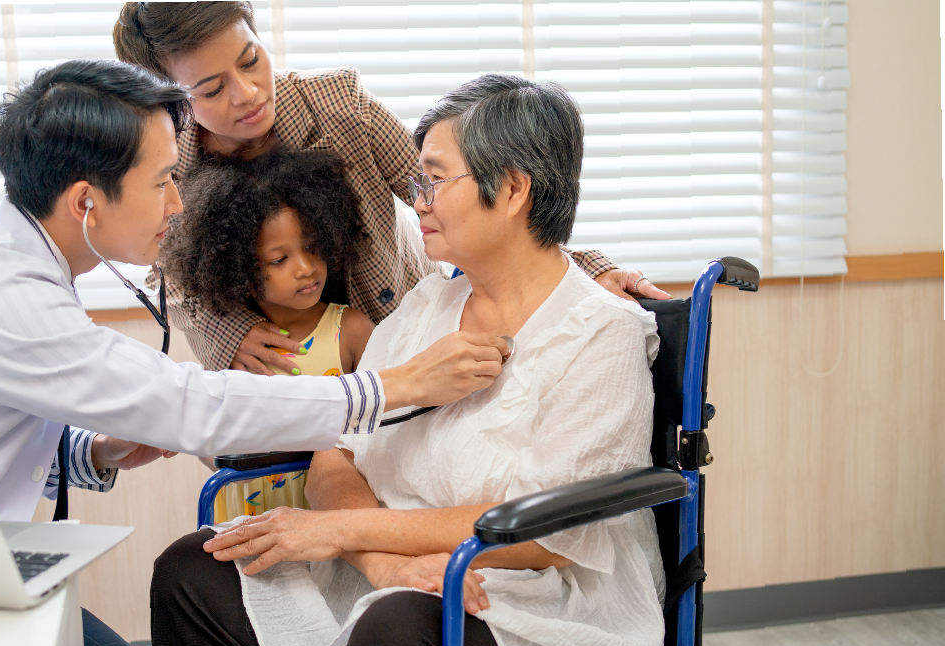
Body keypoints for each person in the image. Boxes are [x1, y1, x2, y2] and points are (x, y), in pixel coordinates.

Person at [0, 59, 510, 646]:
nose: (178, 203)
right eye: (161, 182)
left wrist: (93, 452)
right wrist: (393, 386)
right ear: (86, 202)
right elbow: (196, 406)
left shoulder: (8, 264)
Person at [149, 75, 666, 646]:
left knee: (395, 632)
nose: (415, 201)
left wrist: (343, 532)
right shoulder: (426, 306)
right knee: (193, 569)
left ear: (510, 189)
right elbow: (335, 456)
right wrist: (378, 561)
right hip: (393, 573)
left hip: (524, 596)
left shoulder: (600, 333)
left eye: (433, 180)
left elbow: (545, 535)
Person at [113, 1, 670, 377]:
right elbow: (167, 275)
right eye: (211, 88)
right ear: (169, 96)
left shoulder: (338, 106)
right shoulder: (169, 164)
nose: (248, 92)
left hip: (396, 339)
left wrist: (583, 266)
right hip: (288, 368)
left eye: (252, 59)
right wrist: (226, 330)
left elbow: (458, 195)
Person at [161, 148, 376, 528]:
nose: (306, 268)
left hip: (330, 512)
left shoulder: (351, 331)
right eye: (279, 260)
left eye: (312, 247)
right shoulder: (232, 350)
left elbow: (382, 427)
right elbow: (215, 447)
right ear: (236, 269)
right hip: (245, 512)